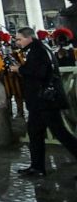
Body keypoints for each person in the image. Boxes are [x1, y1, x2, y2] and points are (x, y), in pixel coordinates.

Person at [11, 27, 77, 177]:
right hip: (39, 100)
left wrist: (19, 70)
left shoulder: (38, 50)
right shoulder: (38, 48)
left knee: (61, 133)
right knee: (35, 133)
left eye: (19, 39)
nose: (17, 42)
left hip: (46, 100)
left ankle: (37, 167)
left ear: (29, 38)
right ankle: (37, 167)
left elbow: (39, 72)